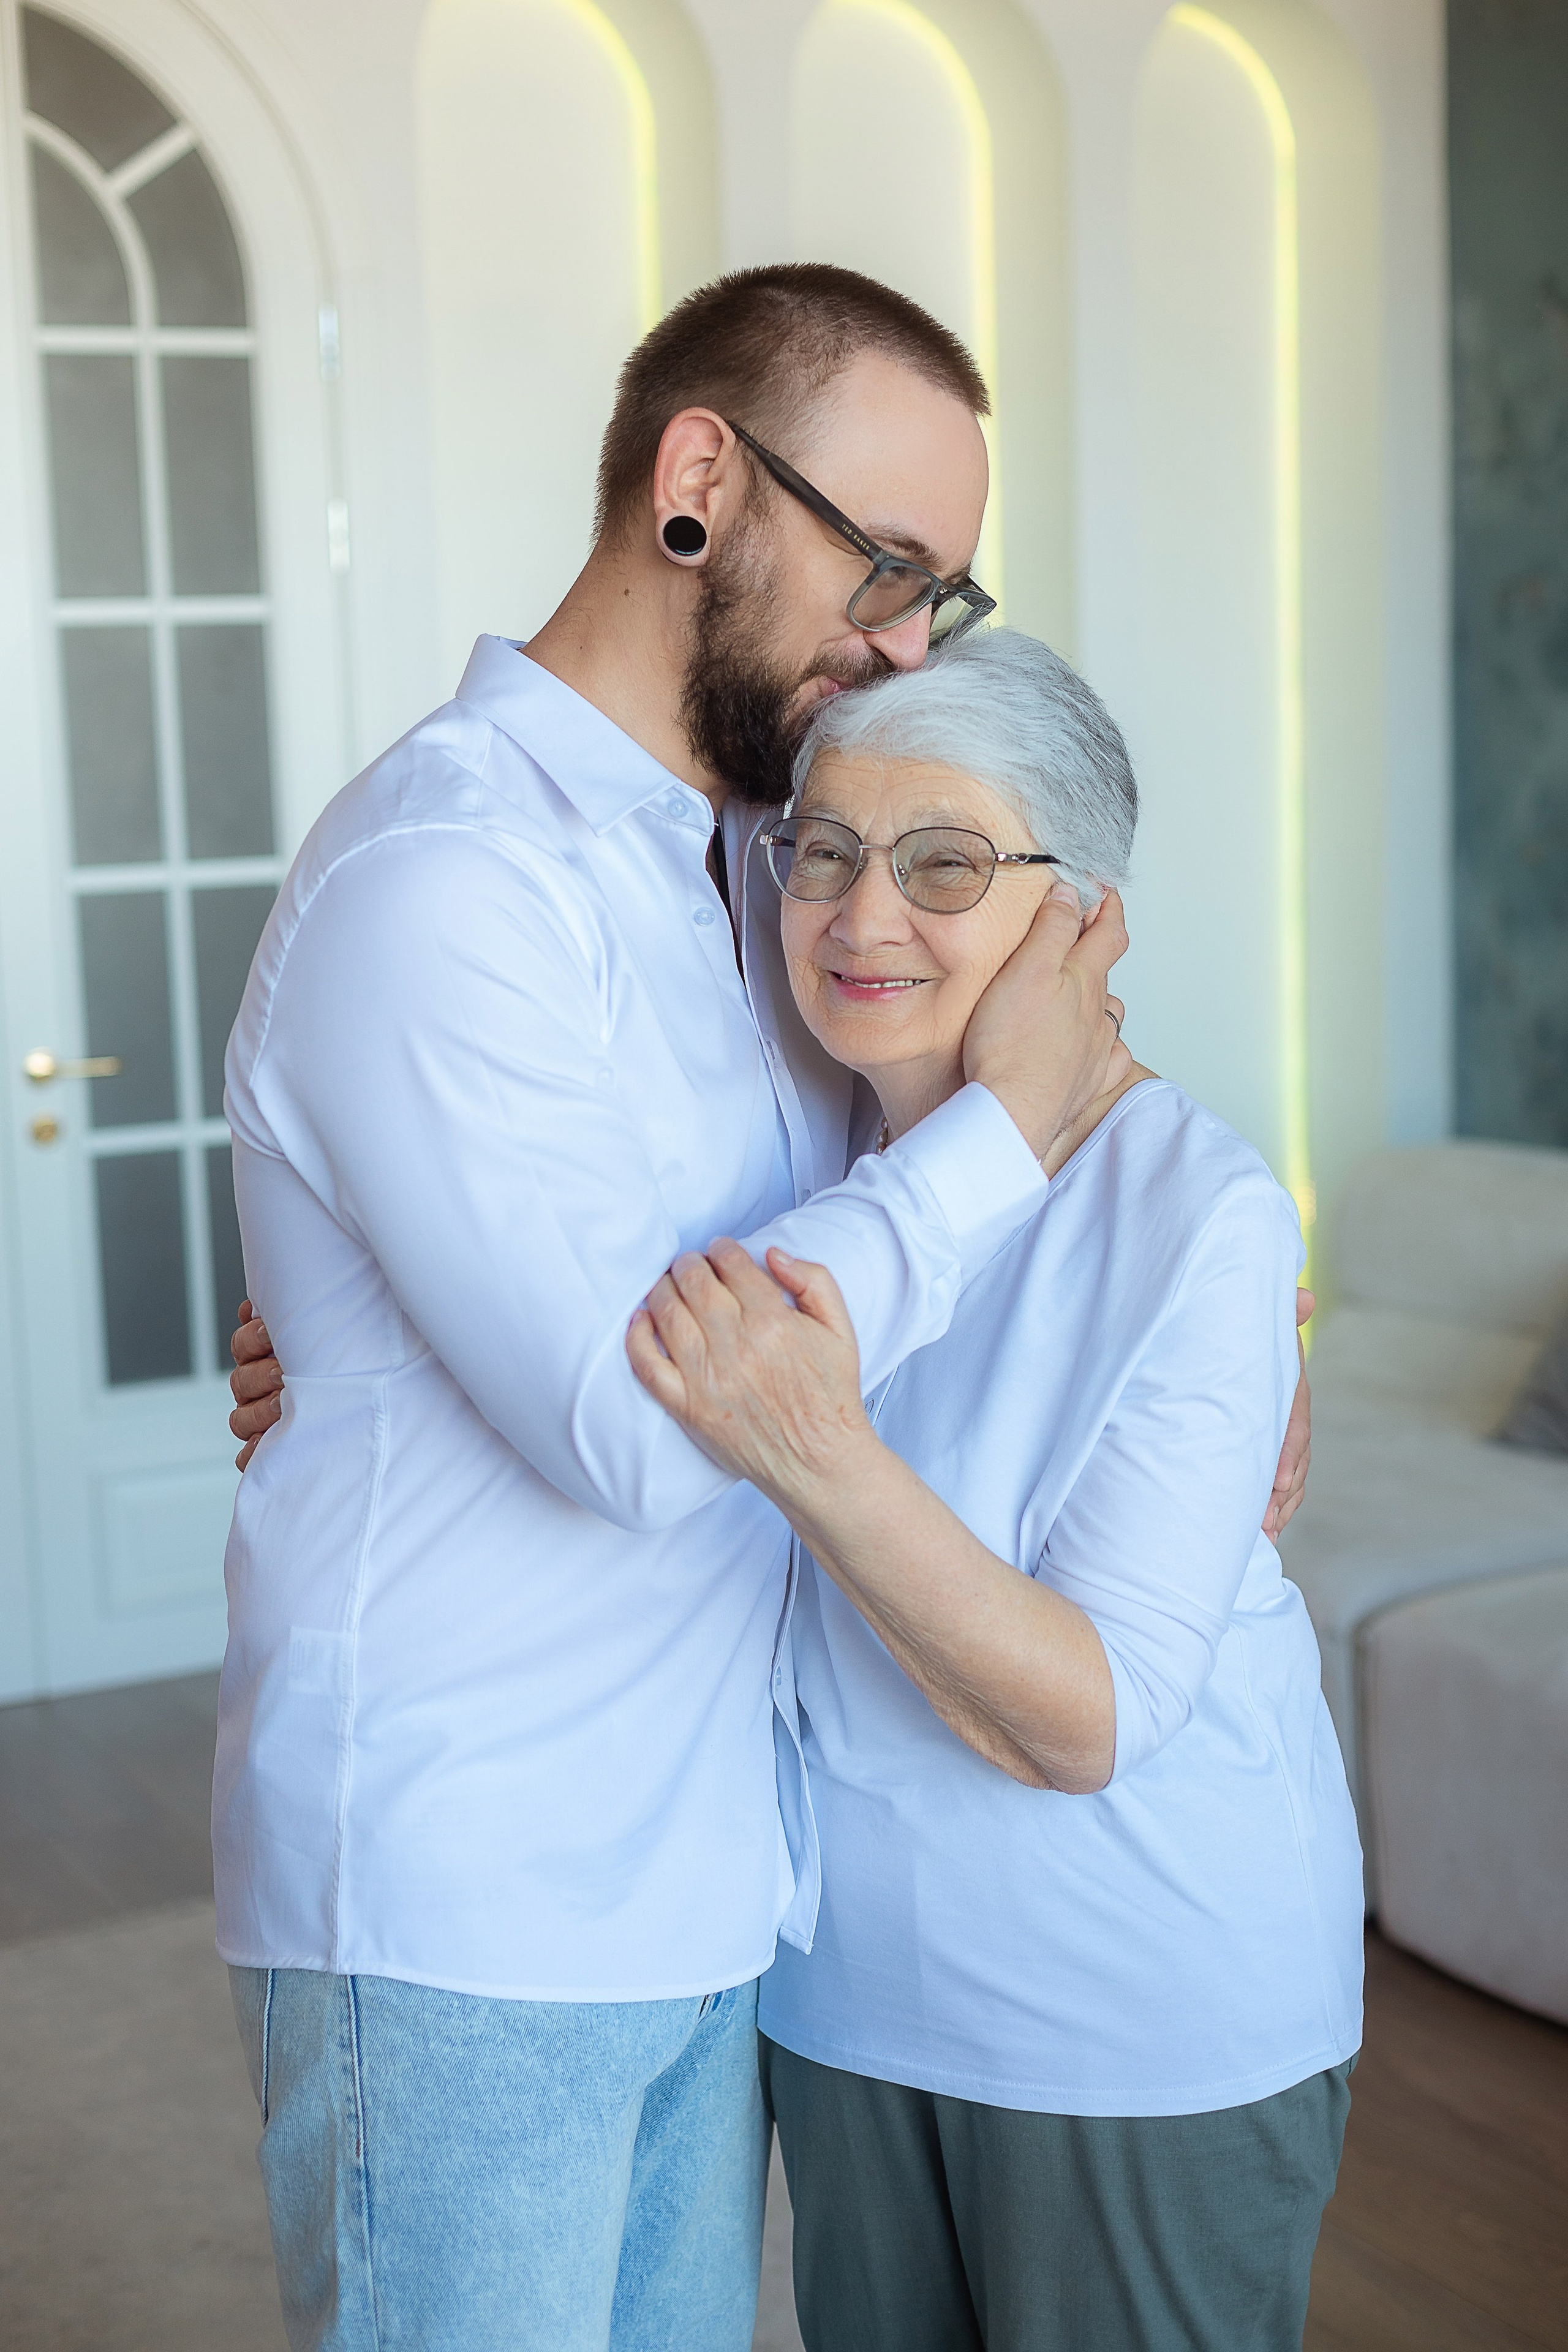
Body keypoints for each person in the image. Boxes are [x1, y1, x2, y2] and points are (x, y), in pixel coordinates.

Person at [214, 263, 1151, 2352]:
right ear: (701, 479)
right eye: (887, 568)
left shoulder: (767, 868)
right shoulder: (438, 881)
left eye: (942, 599)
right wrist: (1005, 1138)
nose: (904, 646)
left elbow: (1034, 1041)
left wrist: (1210, 1288)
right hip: (460, 1899)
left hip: (713, 1879)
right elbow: (644, 1433)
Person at [627, 627, 1362, 2352]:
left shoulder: (1199, 1212)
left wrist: (814, 1447)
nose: (862, 917)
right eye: (824, 852)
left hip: (1136, 2025)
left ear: (1078, 917)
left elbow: (1084, 1718)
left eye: (947, 863)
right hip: (842, 2009)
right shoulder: (802, 1166)